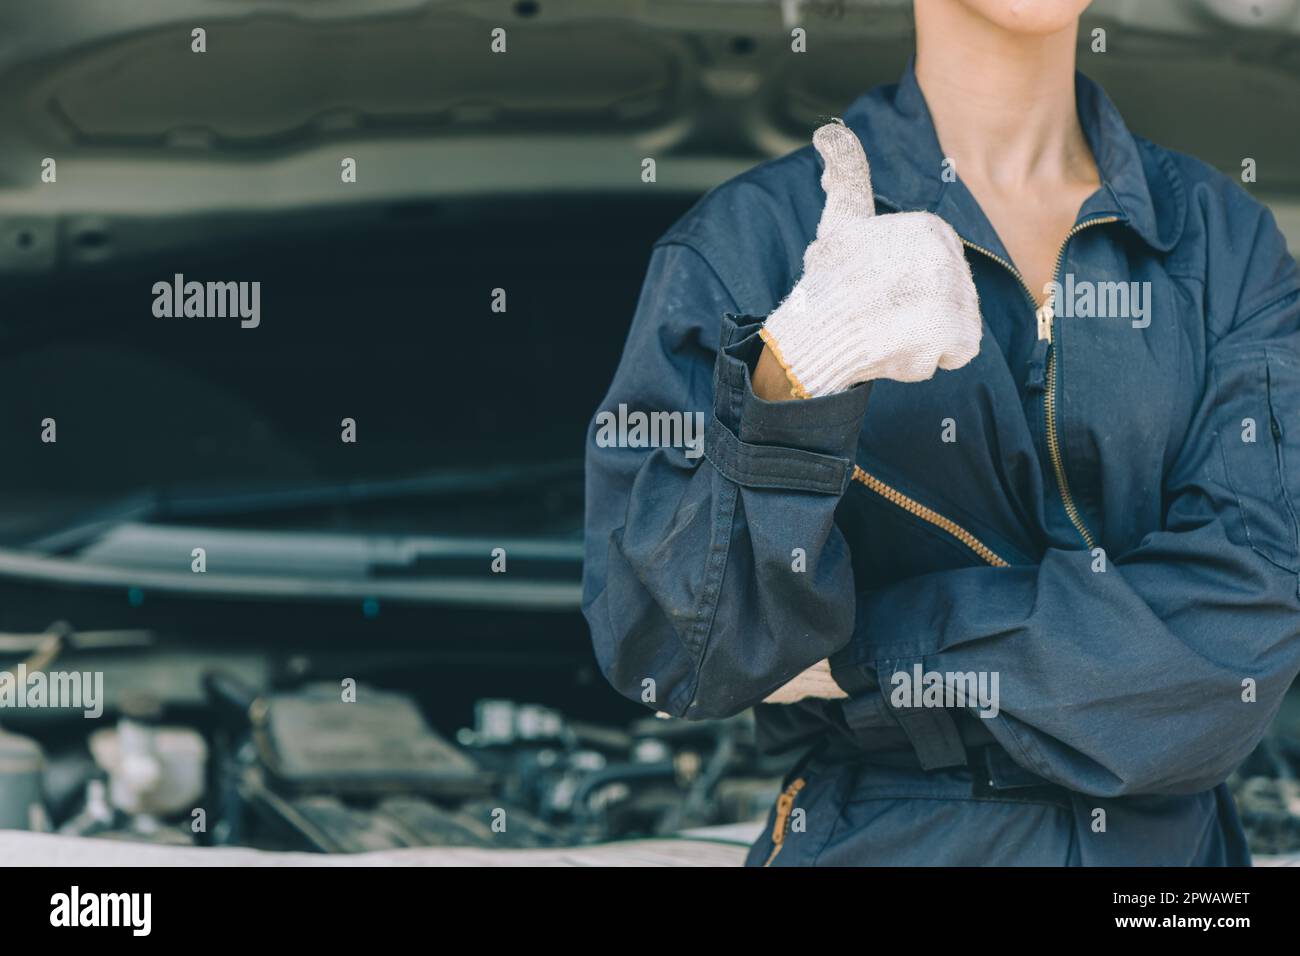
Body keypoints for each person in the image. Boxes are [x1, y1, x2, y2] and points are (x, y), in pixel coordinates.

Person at [582, 0, 1300, 865]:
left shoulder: (1227, 244)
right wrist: (788, 386)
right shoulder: (744, 244)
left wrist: (876, 653)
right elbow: (671, 651)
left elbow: (1251, 625)